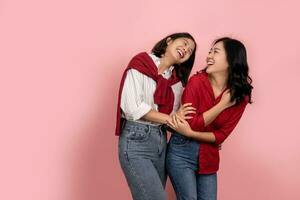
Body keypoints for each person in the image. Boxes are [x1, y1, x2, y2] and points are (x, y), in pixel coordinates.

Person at [166, 37, 253, 200]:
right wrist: (222, 105)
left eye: (215, 52)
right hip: (181, 151)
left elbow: (221, 135)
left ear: (231, 59)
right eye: (209, 51)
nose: (208, 56)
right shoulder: (196, 82)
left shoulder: (241, 95)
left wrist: (190, 133)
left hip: (209, 155)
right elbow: (191, 123)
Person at [115, 32, 197, 200]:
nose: (186, 49)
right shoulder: (141, 62)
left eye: (190, 51)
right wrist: (171, 118)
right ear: (169, 41)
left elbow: (173, 121)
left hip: (160, 143)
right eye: (184, 43)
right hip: (135, 139)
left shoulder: (177, 84)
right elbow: (132, 107)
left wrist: (207, 135)